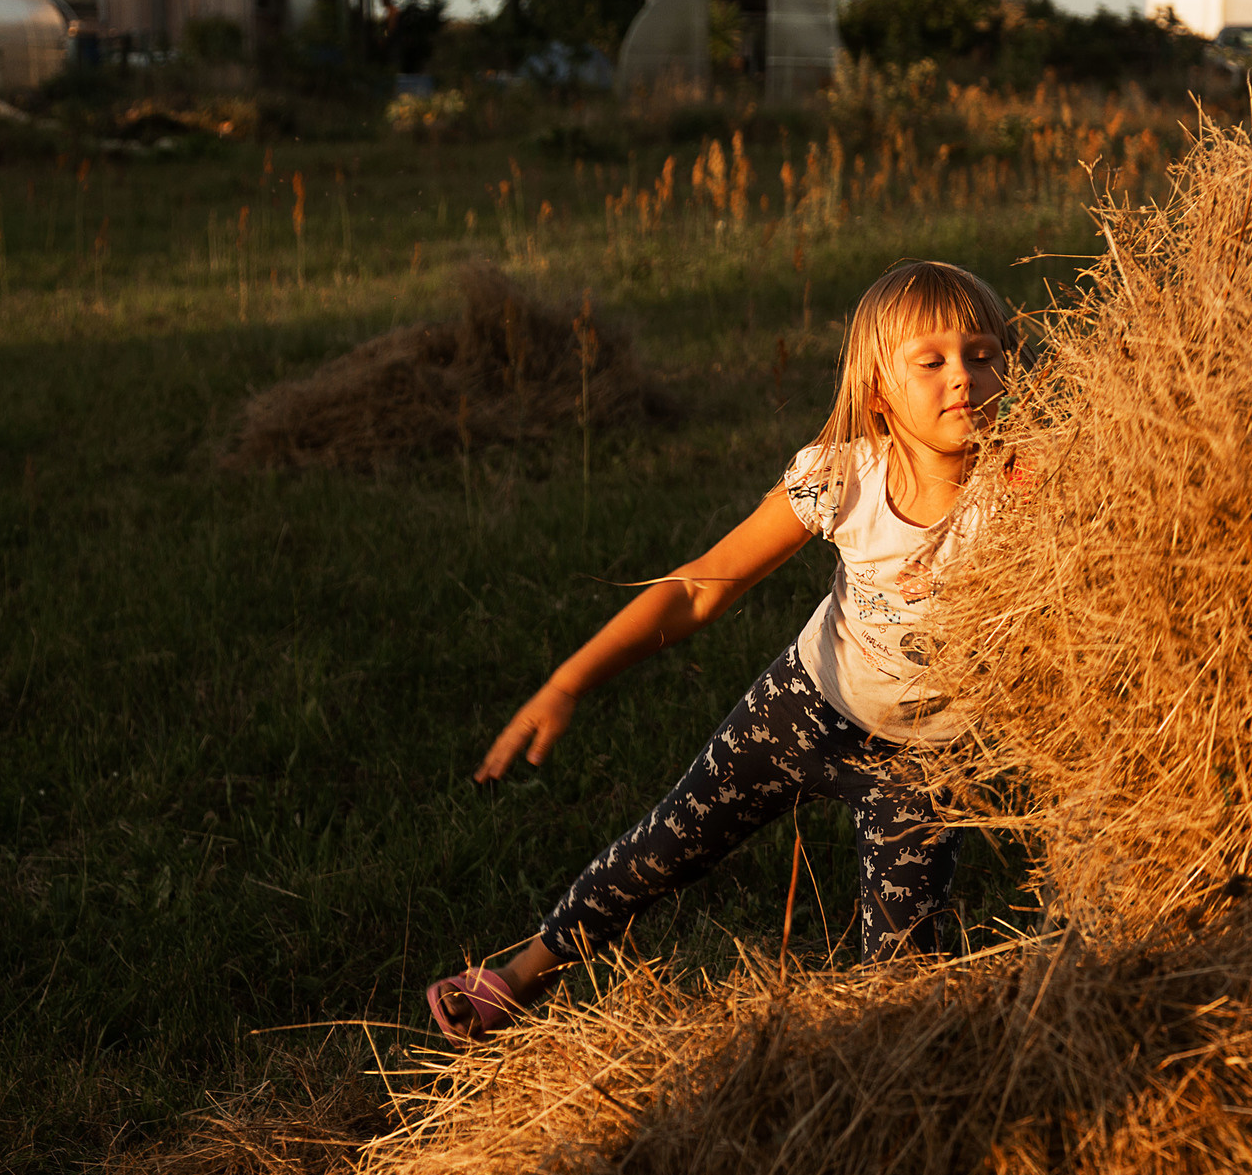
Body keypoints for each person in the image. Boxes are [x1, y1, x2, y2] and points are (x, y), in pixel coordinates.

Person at [424, 260, 1012, 1042]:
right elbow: (702, 586)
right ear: (878, 390)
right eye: (931, 361)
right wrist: (570, 680)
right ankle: (519, 974)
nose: (963, 377)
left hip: (929, 763)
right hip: (807, 708)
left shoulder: (1028, 490)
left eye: (982, 352)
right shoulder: (845, 476)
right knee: (664, 845)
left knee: (907, 977)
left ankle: (890, 1091)